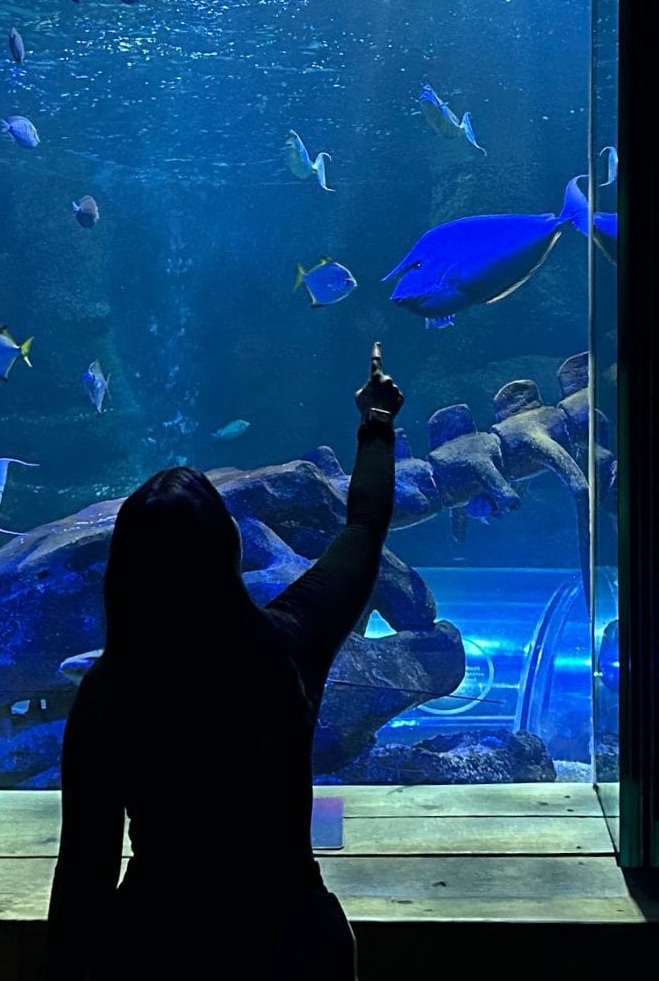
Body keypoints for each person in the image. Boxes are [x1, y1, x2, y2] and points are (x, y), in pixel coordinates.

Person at [48, 343, 405, 981]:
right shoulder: (286, 644)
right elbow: (363, 529)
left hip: (159, 951)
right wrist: (376, 421)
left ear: (123, 574)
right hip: (296, 949)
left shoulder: (107, 693)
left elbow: (84, 868)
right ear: (229, 550)